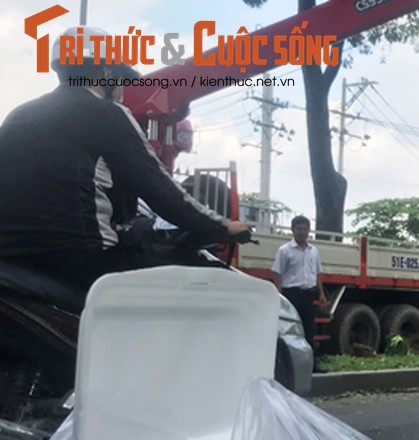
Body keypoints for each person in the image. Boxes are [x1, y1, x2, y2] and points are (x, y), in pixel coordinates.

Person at [0, 27, 248, 295]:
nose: (121, 88)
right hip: (78, 261)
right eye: (119, 79)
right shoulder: (106, 113)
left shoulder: (18, 115)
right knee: (182, 293)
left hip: (12, 261)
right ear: (107, 74)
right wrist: (222, 227)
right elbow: (160, 188)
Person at [270, 216, 327, 348]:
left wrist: (321, 293)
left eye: (305, 229)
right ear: (293, 230)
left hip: (309, 295)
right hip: (292, 294)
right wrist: (279, 295)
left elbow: (317, 273)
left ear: (309, 231)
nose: (302, 232)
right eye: (299, 229)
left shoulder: (313, 251)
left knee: (309, 328)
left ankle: (312, 361)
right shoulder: (285, 250)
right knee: (292, 327)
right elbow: (277, 273)